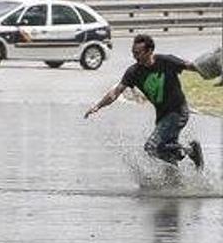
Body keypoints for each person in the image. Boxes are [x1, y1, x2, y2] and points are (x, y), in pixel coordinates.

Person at [84, 34, 205, 170]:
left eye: (138, 53)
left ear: (149, 51)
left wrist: (207, 69)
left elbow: (190, 66)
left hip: (178, 111)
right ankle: (175, 179)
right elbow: (116, 91)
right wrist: (98, 106)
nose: (135, 56)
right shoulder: (134, 72)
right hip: (162, 116)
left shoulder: (166, 61)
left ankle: (190, 150)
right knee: (166, 152)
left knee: (151, 147)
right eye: (133, 53)